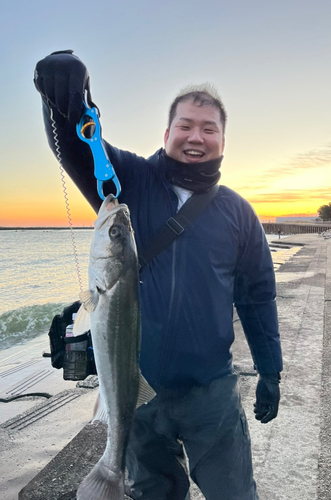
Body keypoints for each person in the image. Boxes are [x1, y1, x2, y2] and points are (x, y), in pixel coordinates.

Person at [34, 50, 283, 500]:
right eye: (185, 126)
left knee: (236, 494)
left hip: (212, 392)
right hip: (139, 394)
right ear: (167, 133)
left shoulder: (239, 214)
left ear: (223, 141)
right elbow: (76, 144)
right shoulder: (130, 178)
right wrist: (67, 97)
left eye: (209, 129)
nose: (196, 136)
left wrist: (271, 372)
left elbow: (257, 300)